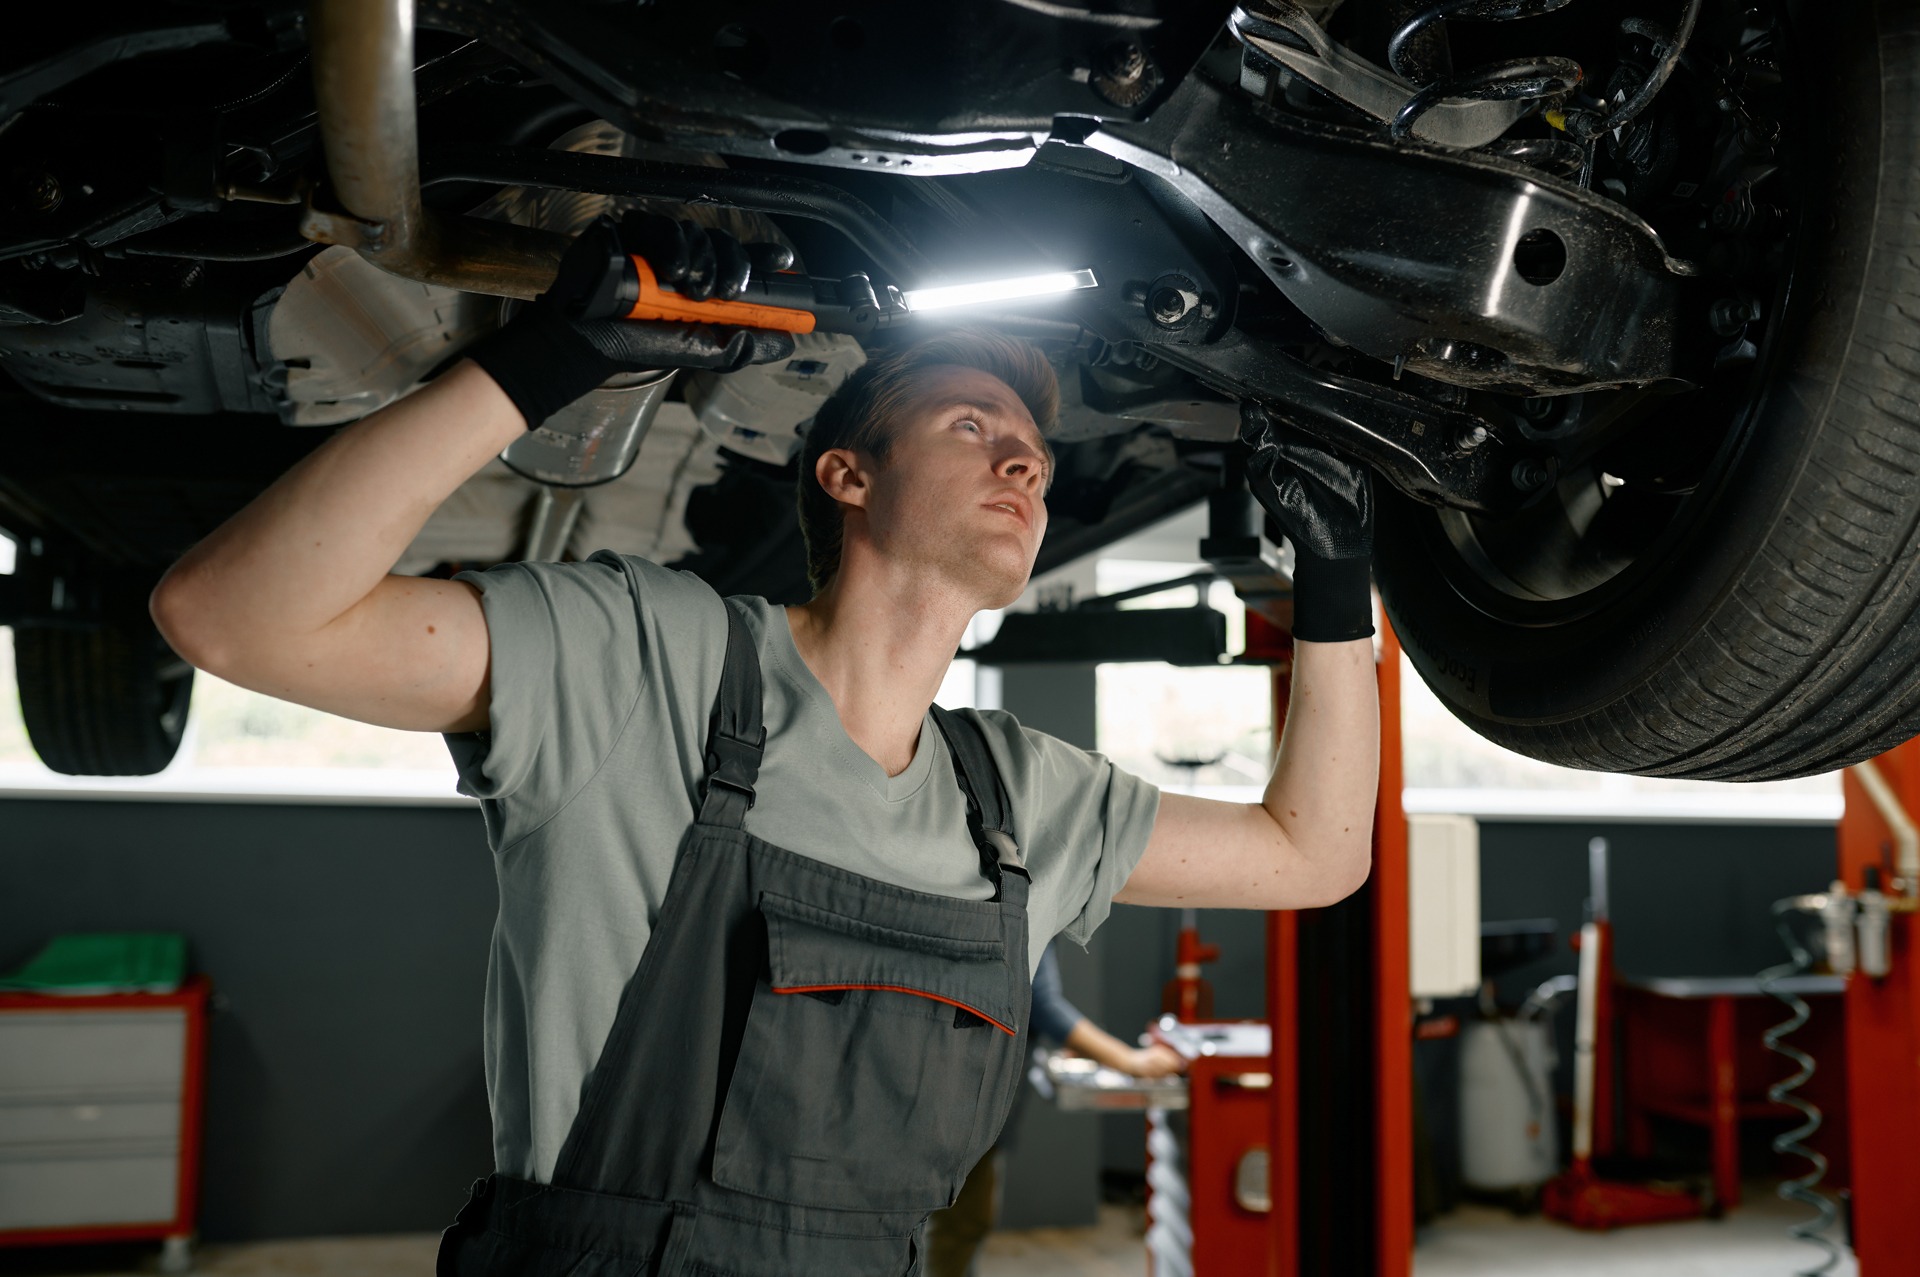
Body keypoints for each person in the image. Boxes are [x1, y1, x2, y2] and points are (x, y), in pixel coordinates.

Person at [148, 216, 1379, 1276]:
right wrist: (552, 358)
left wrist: (1336, 584)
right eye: (971, 424)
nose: (1023, 459)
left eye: (1038, 458)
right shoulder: (649, 661)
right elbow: (230, 615)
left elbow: (1315, 853)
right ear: (848, 473)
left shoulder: (1017, 798)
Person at [925, 941, 1184, 1277]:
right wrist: (1127, 1060)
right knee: (960, 1224)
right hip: (969, 1097)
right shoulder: (1028, 896)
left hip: (966, 1091)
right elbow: (1042, 1002)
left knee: (962, 1222)